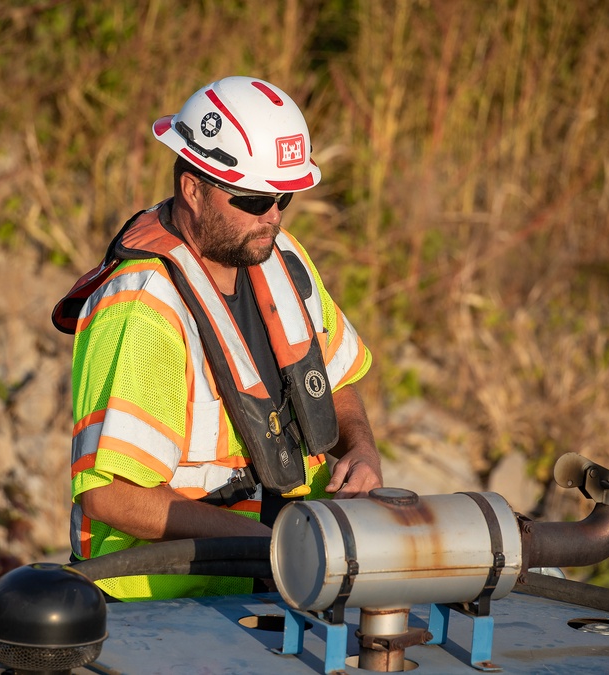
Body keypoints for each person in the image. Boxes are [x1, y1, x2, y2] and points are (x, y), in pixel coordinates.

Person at [52, 76, 382, 601]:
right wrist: (263, 543)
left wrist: (362, 450)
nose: (272, 216)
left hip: (282, 577)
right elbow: (109, 496)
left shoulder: (283, 259)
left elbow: (335, 380)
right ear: (193, 188)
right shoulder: (143, 308)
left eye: (284, 197)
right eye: (253, 200)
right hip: (163, 605)